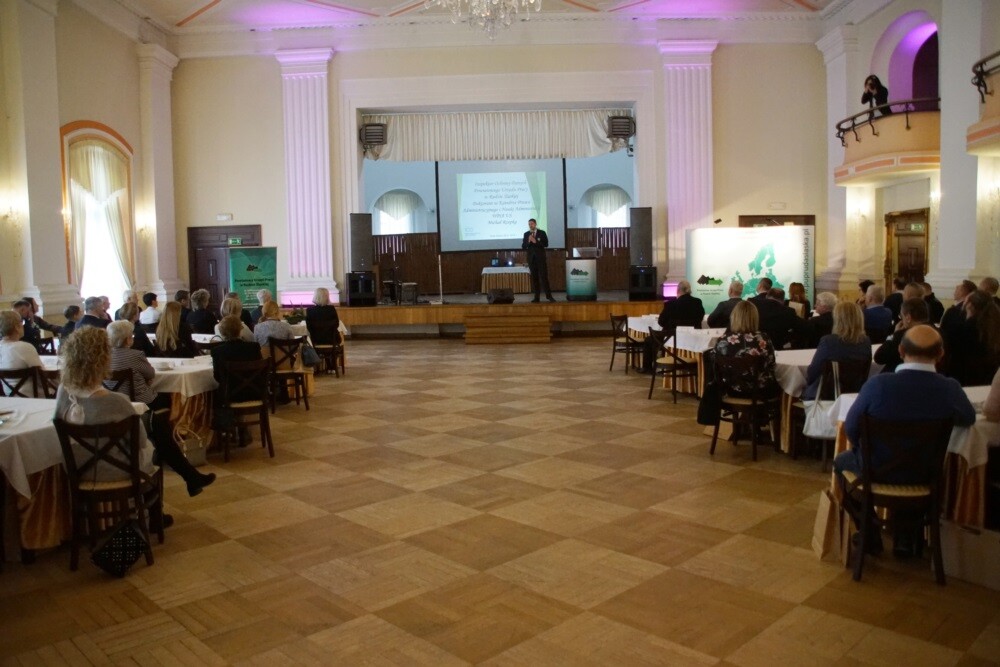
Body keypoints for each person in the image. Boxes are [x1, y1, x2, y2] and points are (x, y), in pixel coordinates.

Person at [835, 325, 975, 557]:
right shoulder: (949, 389)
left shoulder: (877, 385)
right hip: (925, 473)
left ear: (900, 351)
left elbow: (851, 429)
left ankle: (870, 535)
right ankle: (906, 538)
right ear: (940, 354)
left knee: (841, 462)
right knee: (916, 462)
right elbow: (968, 418)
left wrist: (863, 451)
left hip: (876, 469)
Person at [104, 321, 217, 497]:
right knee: (171, 399)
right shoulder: (135, 355)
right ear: (127, 339)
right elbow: (150, 374)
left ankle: (184, 469)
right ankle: (179, 434)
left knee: (159, 413)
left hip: (117, 404)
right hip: (142, 403)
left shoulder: (103, 358)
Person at [802, 302, 871, 400]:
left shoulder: (828, 341)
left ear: (837, 319)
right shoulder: (866, 342)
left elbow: (812, 373)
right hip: (854, 394)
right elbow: (865, 372)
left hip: (826, 395)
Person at [711, 300, 779, 398]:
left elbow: (715, 364)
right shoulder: (763, 339)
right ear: (755, 318)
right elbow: (771, 363)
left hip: (730, 389)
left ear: (734, 317)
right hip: (759, 391)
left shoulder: (723, 340)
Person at [640, 280, 703, 372]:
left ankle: (647, 368)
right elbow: (699, 318)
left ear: (678, 291)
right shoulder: (697, 302)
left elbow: (661, 322)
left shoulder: (670, 304)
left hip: (672, 337)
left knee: (649, 340)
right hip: (692, 337)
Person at [943, 289, 1000, 387]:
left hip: (965, 376)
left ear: (969, 305)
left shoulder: (965, 328)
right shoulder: (994, 326)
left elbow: (952, 351)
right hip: (990, 375)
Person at [874, 297, 930, 374]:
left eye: (901, 316)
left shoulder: (902, 336)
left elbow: (879, 357)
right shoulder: (939, 333)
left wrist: (894, 335)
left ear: (908, 318)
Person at [0, 310, 43, 396]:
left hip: (9, 396)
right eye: (22, 322)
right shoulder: (25, 347)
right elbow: (41, 377)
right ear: (16, 327)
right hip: (33, 395)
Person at [522, 218, 555, 303]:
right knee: (535, 278)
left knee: (544, 277)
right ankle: (536, 297)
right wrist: (528, 241)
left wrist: (535, 241)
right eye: (529, 224)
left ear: (535, 224)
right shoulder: (526, 234)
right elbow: (523, 246)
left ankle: (549, 296)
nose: (530, 225)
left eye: (532, 224)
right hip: (531, 260)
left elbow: (546, 244)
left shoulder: (542, 233)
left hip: (541, 259)